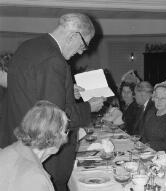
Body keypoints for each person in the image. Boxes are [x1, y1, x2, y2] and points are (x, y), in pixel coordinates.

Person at [0, 13, 104, 191]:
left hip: (17, 147)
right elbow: (53, 120)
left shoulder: (29, 46)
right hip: (43, 157)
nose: (80, 52)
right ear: (73, 36)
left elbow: (32, 92)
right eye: (83, 45)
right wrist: (88, 107)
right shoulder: (54, 60)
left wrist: (68, 92)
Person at [0, 100, 69, 191]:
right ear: (54, 138)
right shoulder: (34, 178)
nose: (67, 136)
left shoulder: (10, 151)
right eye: (65, 131)